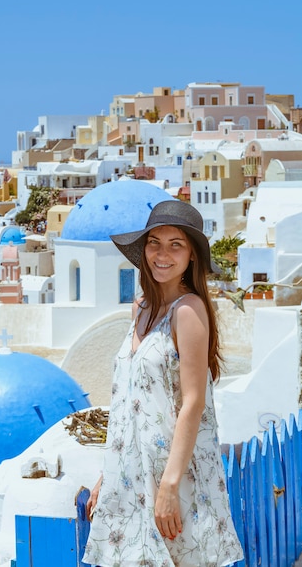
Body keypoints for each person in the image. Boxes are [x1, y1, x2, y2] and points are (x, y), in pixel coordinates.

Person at [83, 200, 243, 567]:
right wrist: (109, 474)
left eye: (176, 245)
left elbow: (193, 402)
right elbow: (130, 400)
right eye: (155, 242)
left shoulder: (188, 311)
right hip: (132, 478)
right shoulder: (139, 309)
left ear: (192, 257)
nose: (162, 254)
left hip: (173, 476)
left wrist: (170, 486)